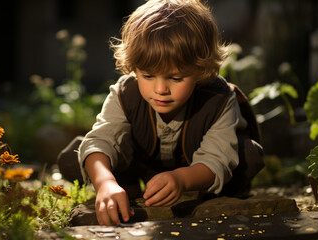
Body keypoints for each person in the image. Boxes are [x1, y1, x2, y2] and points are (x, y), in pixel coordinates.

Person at [57, 0, 263, 226]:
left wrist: (182, 180)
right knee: (73, 157)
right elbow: (102, 139)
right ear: (134, 68)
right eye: (147, 76)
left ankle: (199, 194)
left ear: (201, 69)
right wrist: (105, 182)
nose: (160, 90)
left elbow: (217, 158)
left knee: (249, 156)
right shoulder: (125, 93)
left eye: (175, 78)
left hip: (196, 171)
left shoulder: (219, 99)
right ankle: (125, 186)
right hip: (140, 165)